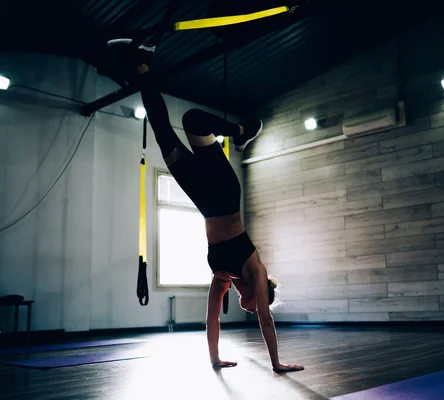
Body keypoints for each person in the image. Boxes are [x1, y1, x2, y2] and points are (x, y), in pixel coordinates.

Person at [106, 35, 304, 373]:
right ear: (261, 297)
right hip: (224, 193)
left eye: (254, 310)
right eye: (256, 307)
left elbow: (212, 318)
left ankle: (142, 63)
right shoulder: (256, 271)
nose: (253, 310)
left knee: (161, 130)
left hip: (202, 198)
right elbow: (267, 322)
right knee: (193, 120)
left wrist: (215, 359)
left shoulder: (223, 277)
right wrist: (277, 364)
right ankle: (239, 131)